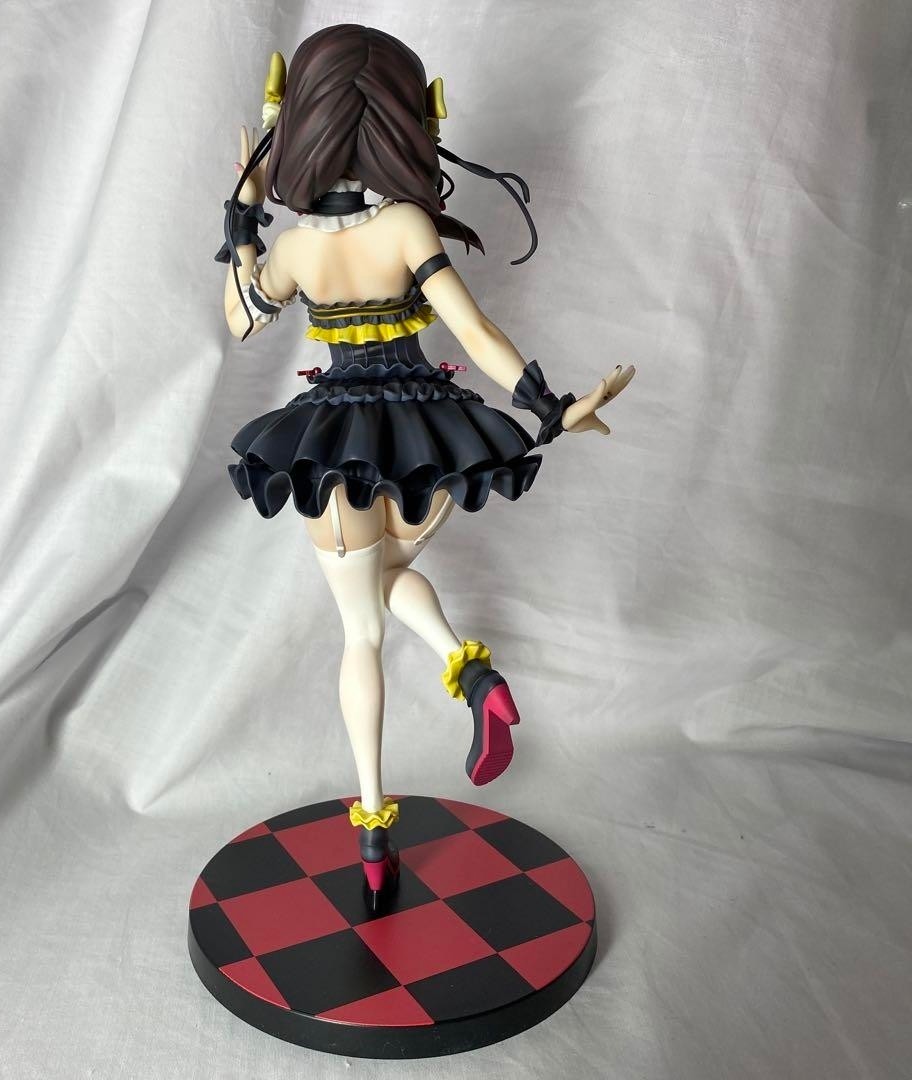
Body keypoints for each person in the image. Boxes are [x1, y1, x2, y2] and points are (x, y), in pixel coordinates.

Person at [216, 24, 634, 906]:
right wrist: (548, 405)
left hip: (334, 446)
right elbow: (475, 332)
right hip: (422, 437)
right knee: (387, 579)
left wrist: (243, 216)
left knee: (360, 631)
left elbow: (242, 318)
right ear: (399, 125)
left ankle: (374, 835)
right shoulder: (406, 224)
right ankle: (472, 674)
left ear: (305, 124)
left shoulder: (296, 249)